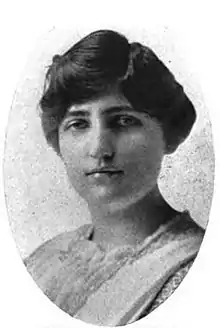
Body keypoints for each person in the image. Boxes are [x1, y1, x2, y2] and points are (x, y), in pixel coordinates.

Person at [24, 29, 205, 326]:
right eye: (78, 123)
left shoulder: (195, 271)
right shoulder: (42, 263)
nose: (99, 149)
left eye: (123, 121)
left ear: (169, 134)